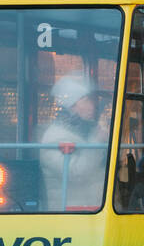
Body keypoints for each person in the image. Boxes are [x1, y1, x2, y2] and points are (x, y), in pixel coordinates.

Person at [40, 75, 109, 211]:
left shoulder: (86, 130)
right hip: (70, 214)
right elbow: (76, 173)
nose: (92, 106)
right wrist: (97, 141)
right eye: (85, 101)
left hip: (91, 210)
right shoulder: (54, 137)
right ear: (71, 106)